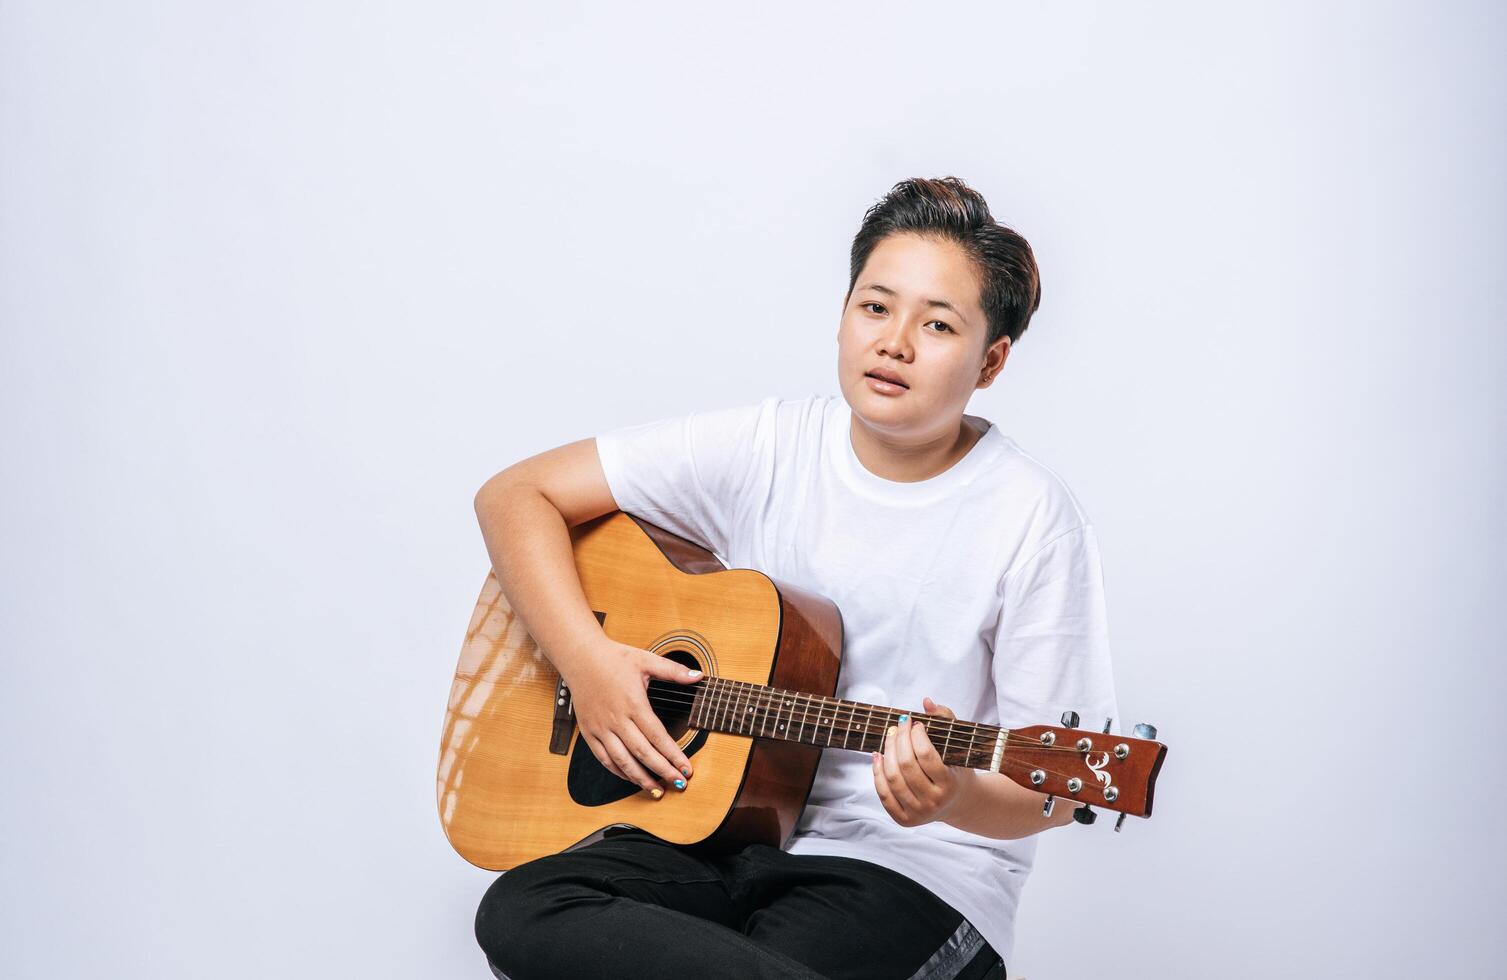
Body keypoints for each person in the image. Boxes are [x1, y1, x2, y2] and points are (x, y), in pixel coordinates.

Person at [469, 176, 1119, 980]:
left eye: (938, 324)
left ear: (990, 361)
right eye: (874, 307)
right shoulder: (771, 446)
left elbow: (1051, 791)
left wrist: (953, 797)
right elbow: (514, 496)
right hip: (719, 834)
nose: (894, 343)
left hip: (913, 878)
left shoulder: (1032, 519)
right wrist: (588, 663)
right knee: (524, 907)